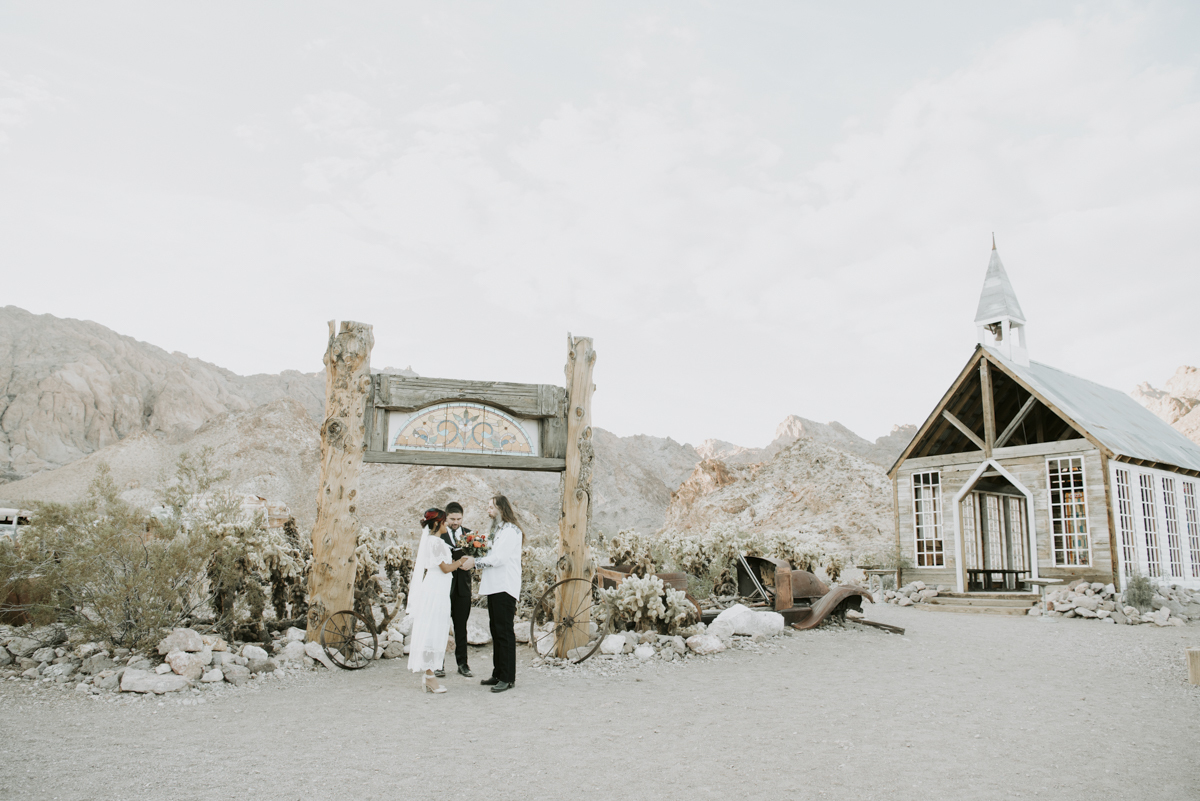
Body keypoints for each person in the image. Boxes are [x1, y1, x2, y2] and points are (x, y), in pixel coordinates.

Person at [461, 495, 522, 693]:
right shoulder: (498, 530)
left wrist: (475, 563)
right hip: (494, 586)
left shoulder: (511, 531)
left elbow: (500, 558)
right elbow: (489, 552)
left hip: (505, 585)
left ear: (501, 509)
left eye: (491, 507)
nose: (488, 510)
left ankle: (508, 677)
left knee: (504, 632)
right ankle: (498, 673)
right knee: (496, 631)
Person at [406, 508, 468, 694]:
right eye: (444, 521)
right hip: (436, 590)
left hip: (435, 587)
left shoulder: (431, 541)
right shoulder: (437, 543)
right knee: (433, 630)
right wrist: (462, 561)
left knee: (433, 628)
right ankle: (430, 677)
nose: (446, 524)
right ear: (437, 524)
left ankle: (429, 675)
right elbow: (445, 568)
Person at [440, 501, 473, 678]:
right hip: (443, 587)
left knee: (461, 627)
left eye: (459, 519)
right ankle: (438, 664)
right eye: (452, 519)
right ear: (446, 517)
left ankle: (463, 664)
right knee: (441, 627)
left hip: (463, 588)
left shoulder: (470, 534)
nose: (456, 522)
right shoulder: (439, 534)